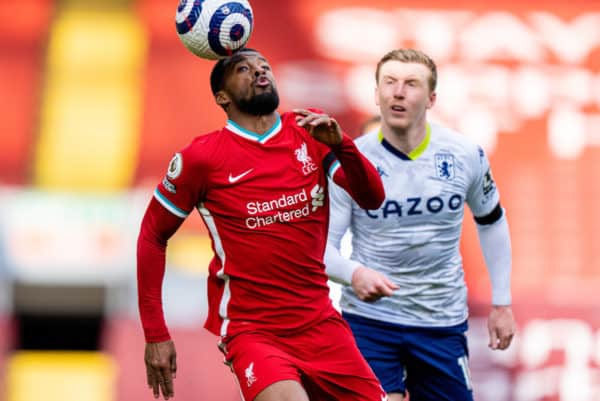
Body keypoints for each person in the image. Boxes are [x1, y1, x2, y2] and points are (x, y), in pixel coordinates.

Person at [137, 48, 388, 401]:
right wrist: (155, 333)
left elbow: (372, 198)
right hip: (254, 331)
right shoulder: (201, 158)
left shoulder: (309, 130)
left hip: (321, 324)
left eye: (264, 66)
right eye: (243, 68)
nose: (258, 71)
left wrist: (343, 145)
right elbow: (152, 235)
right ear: (221, 97)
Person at [325, 48, 516, 401]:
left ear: (431, 99)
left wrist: (501, 303)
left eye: (411, 84)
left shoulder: (463, 154)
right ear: (376, 94)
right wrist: (354, 274)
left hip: (440, 322)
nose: (398, 92)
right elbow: (321, 249)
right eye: (390, 83)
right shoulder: (347, 162)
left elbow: (492, 221)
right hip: (370, 321)